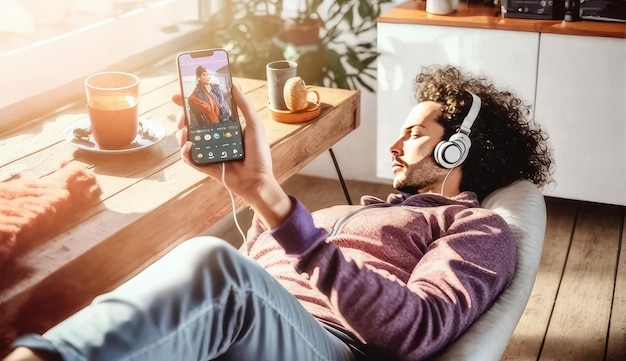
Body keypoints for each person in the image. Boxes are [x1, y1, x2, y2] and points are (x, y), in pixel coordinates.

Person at [4, 65, 552, 361]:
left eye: (414, 134)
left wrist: (270, 199)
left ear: (458, 150)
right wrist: (246, 191)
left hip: (330, 346)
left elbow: (420, 329)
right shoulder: (345, 211)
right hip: (248, 333)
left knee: (219, 272)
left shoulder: (474, 227)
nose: (395, 145)